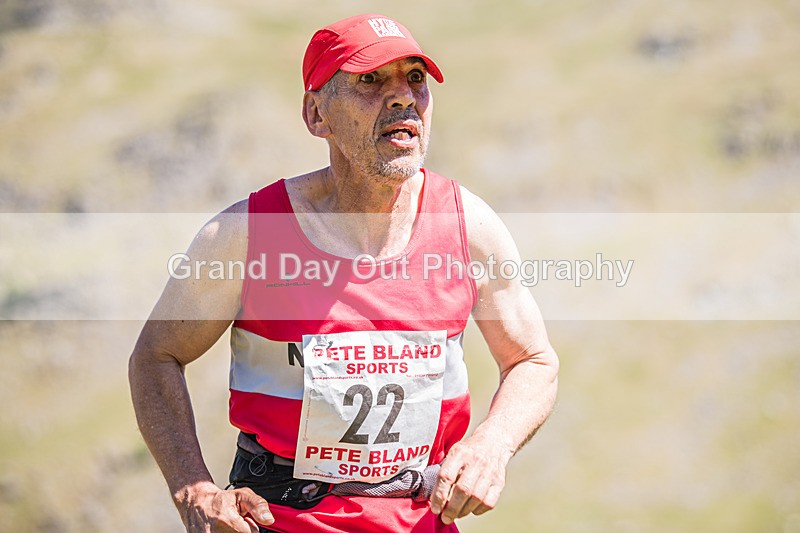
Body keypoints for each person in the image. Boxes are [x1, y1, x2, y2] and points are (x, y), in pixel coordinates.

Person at [129, 13, 559, 533]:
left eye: (414, 79)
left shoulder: (468, 226)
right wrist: (193, 491)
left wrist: (493, 445)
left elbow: (533, 361)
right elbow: (156, 357)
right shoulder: (247, 234)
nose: (401, 97)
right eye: (370, 80)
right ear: (316, 114)